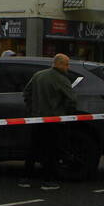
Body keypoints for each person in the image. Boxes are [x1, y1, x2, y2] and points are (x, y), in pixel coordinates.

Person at [21, 54, 78, 190]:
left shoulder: (38, 75)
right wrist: (67, 115)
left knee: (33, 149)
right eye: (67, 64)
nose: (68, 68)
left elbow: (26, 93)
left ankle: (25, 178)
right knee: (51, 151)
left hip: (36, 118)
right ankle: (48, 180)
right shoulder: (62, 79)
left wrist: (32, 109)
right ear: (60, 64)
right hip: (53, 119)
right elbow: (72, 100)